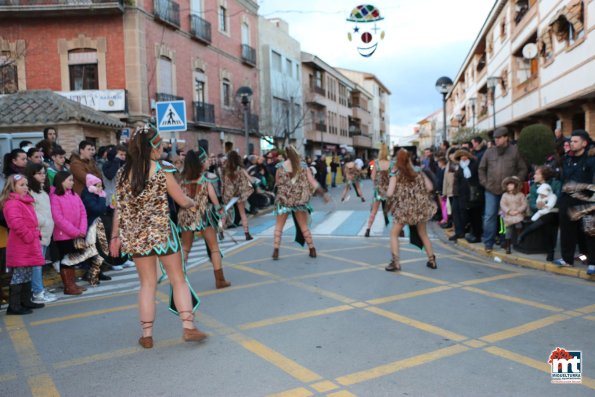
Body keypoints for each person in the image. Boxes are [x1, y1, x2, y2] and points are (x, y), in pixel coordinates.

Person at [109, 123, 206, 349]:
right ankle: (188, 327)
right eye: (160, 144)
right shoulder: (162, 169)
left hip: (136, 236)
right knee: (178, 279)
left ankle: (147, 334)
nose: (162, 148)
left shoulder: (123, 173)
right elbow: (182, 200)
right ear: (153, 146)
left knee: (147, 284)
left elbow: (119, 209)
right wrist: (192, 204)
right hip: (162, 234)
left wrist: (115, 237)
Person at [178, 149, 231, 289]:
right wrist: (222, 213)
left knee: (185, 248)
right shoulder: (206, 180)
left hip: (186, 216)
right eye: (206, 160)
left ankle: (179, 282)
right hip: (204, 216)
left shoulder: (181, 180)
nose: (208, 161)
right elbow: (214, 200)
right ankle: (220, 280)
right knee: (214, 248)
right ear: (200, 163)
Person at [272, 145, 329, 260]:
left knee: (279, 226)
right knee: (304, 226)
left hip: (284, 200)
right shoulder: (303, 166)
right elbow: (312, 182)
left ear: (286, 154)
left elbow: (277, 183)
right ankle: (312, 249)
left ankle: (276, 250)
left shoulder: (280, 166)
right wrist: (323, 194)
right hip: (299, 201)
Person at [1, 174, 47, 315]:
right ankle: (13, 306)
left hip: (28, 243)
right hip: (21, 244)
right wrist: (29, 236)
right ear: (12, 187)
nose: (26, 187)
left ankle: (25, 301)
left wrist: (34, 234)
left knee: (27, 273)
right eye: (22, 185)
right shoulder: (12, 203)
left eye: (26, 184)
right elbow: (16, 223)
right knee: (19, 275)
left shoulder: (24, 201)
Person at [384, 149, 437, 271]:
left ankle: (395, 263)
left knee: (394, 234)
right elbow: (430, 187)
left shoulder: (395, 172)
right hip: (419, 208)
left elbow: (390, 193)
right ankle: (432, 260)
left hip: (404, 209)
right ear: (409, 158)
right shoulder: (419, 171)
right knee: (423, 234)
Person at [478, 127, 528, 253]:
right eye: (495, 138)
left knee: (505, 217)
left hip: (508, 191)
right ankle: (488, 243)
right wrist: (485, 183)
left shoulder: (515, 151)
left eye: (499, 138)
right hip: (491, 190)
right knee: (489, 216)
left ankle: (504, 241)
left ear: (506, 137)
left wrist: (516, 181)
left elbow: (523, 169)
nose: (496, 140)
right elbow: (481, 169)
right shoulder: (489, 152)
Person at [554, 130, 595, 270]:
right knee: (567, 231)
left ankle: (592, 263)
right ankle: (567, 259)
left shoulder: (591, 159)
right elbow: (564, 180)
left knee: (590, 231)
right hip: (567, 200)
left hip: (586, 200)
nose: (572, 143)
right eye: (571, 141)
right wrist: (561, 200)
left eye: (575, 141)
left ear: (584, 143)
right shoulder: (567, 159)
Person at [50, 171, 88, 295]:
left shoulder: (74, 195)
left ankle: (72, 283)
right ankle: (68, 286)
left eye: (72, 180)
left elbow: (83, 213)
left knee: (72, 259)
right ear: (61, 181)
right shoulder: (55, 197)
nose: (72, 182)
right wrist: (75, 231)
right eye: (69, 180)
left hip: (76, 234)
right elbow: (58, 218)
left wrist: (82, 230)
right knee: (66, 259)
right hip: (63, 236)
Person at [24, 163, 57, 303]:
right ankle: (37, 293)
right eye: (39, 173)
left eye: (44, 173)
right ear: (31, 175)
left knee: (39, 264)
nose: (43, 176)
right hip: (38, 233)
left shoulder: (42, 191)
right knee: (36, 265)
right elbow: (32, 213)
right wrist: (46, 222)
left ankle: (39, 289)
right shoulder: (30, 192)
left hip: (45, 233)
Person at [518, 166, 561, 261]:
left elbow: (558, 198)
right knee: (547, 222)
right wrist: (537, 206)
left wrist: (546, 204)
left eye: (537, 174)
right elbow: (532, 202)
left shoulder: (556, 184)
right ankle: (550, 251)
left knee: (549, 218)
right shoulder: (534, 187)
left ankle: (525, 232)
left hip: (555, 212)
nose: (534, 176)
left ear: (544, 175)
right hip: (542, 213)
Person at [221, 150, 255, 240]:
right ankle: (247, 233)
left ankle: (220, 230)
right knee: (242, 213)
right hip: (238, 194)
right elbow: (251, 180)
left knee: (225, 212)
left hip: (228, 194)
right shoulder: (241, 169)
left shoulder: (225, 169)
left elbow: (223, 183)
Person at [452, 149, 483, 243]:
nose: (463, 158)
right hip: (463, 194)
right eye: (461, 157)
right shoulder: (460, 166)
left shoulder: (475, 163)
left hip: (474, 193)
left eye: (464, 156)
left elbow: (478, 177)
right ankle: (471, 233)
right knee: (467, 215)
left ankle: (477, 235)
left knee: (476, 215)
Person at [365, 143, 391, 237]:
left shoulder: (375, 163)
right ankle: (398, 231)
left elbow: (372, 176)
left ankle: (368, 229)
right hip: (388, 191)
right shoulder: (391, 163)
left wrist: (377, 182)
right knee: (392, 211)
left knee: (374, 211)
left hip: (378, 191)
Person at [499, 176, 527, 254]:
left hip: (518, 214)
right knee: (508, 231)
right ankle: (508, 246)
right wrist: (508, 211)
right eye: (508, 185)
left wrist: (518, 211)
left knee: (519, 224)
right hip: (508, 215)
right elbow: (502, 204)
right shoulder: (505, 195)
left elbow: (524, 204)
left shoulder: (521, 195)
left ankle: (519, 238)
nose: (509, 186)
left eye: (511, 184)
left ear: (516, 185)